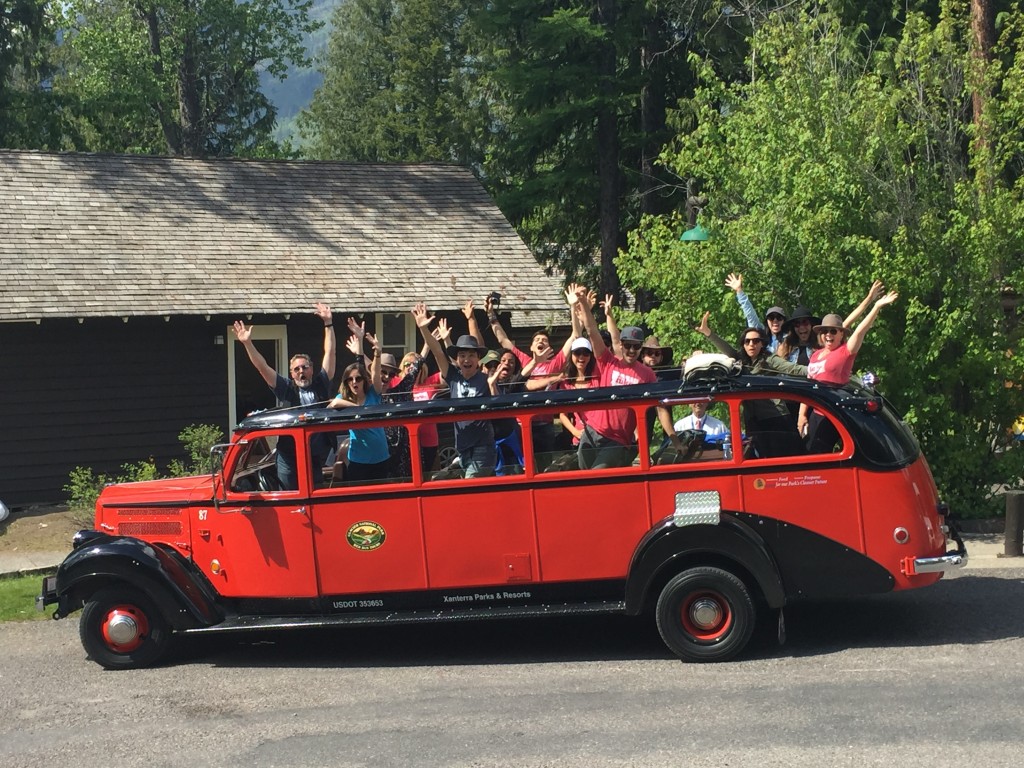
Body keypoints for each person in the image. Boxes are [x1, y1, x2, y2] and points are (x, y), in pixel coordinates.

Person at [572, 285, 682, 468]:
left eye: (636, 346)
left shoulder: (647, 374)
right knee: (585, 478)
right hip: (592, 432)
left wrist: (675, 441)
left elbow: (661, 409)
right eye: (628, 345)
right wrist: (583, 301)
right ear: (621, 345)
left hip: (618, 440)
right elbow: (592, 331)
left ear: (641, 348)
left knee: (598, 474)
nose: (631, 350)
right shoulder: (608, 361)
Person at [232, 303, 336, 489]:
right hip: (289, 455)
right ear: (291, 373)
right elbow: (262, 367)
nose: (301, 371)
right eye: (296, 369)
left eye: (305, 367)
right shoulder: (286, 388)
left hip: (314, 456)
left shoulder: (321, 384)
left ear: (311, 369)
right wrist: (247, 343)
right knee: (289, 498)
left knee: (315, 498)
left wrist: (328, 323)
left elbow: (330, 352)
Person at [798, 291, 899, 449]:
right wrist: (802, 414)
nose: (828, 335)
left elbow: (860, 330)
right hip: (815, 413)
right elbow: (809, 384)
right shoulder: (817, 354)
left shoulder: (845, 352)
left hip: (832, 415)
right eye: (824, 331)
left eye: (833, 331)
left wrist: (876, 306)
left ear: (841, 335)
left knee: (818, 454)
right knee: (806, 452)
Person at [414, 302, 497, 478]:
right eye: (462, 355)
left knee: (471, 485)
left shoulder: (485, 379)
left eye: (471, 355)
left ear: (478, 359)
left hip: (483, 448)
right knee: (442, 482)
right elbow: (437, 352)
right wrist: (424, 329)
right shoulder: (453, 376)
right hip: (462, 448)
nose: (467, 359)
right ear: (457, 359)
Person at [327, 333, 390, 482]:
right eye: (350, 379)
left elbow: (375, 374)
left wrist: (377, 354)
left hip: (381, 457)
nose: (354, 382)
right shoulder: (344, 398)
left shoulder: (373, 394)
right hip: (358, 459)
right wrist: (356, 407)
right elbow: (333, 404)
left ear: (364, 380)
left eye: (358, 378)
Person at [725, 273, 786, 352]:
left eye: (779, 318)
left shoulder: (790, 338)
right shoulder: (761, 335)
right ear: (767, 321)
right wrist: (739, 290)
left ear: (784, 320)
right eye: (771, 318)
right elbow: (750, 314)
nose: (775, 321)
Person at [557, 337, 598, 446]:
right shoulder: (566, 384)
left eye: (586, 353)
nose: (581, 357)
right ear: (572, 355)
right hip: (579, 438)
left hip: (599, 435)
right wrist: (575, 432)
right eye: (577, 353)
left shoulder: (597, 380)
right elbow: (562, 414)